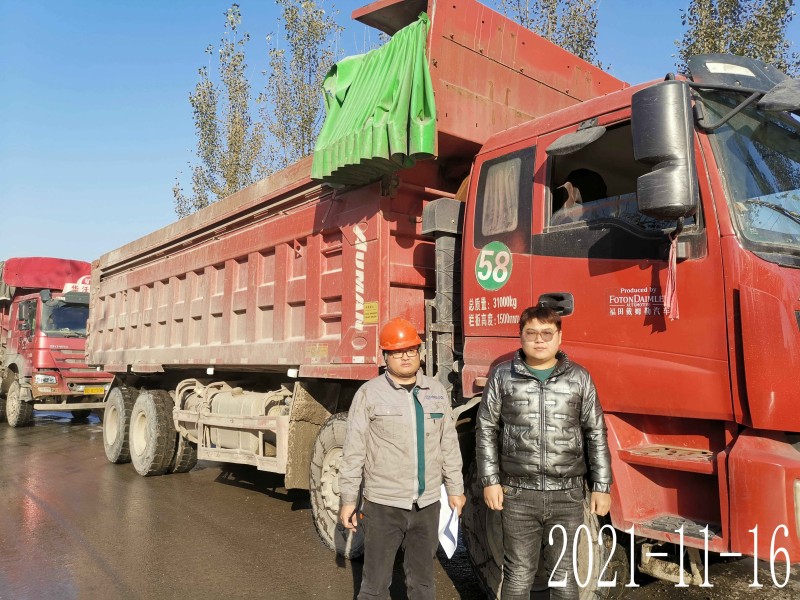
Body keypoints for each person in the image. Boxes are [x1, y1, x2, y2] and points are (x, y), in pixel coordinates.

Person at [475, 305, 612, 600]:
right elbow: (486, 430)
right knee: (518, 574)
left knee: (564, 576)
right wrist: (490, 481)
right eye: (532, 333)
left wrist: (602, 486)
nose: (539, 340)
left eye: (547, 333)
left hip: (567, 494)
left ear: (559, 337)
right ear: (521, 336)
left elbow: (595, 432)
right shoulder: (502, 376)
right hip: (518, 494)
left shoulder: (579, 378)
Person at [338, 317, 466, 600]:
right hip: (384, 504)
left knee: (423, 584)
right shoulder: (369, 394)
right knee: (375, 586)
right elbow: (354, 451)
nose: (405, 356)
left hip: (427, 504)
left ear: (420, 352)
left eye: (410, 350)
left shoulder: (436, 391)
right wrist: (348, 500)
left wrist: (455, 489)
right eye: (397, 352)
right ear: (385, 356)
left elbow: (448, 443)